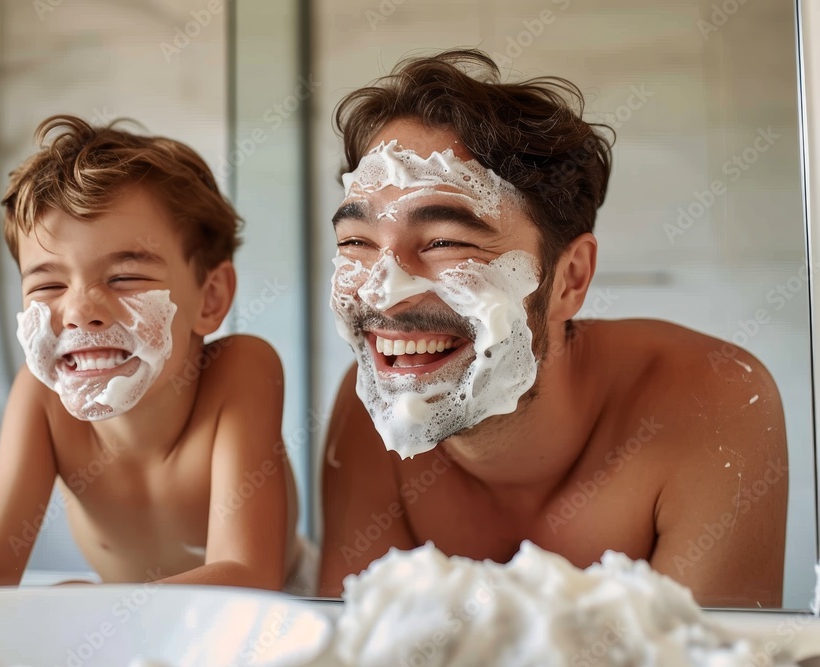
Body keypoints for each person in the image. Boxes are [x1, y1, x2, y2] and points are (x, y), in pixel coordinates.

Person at [318, 50, 788, 607]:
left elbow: (719, 651)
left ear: (570, 278)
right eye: (356, 243)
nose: (381, 290)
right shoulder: (371, 408)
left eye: (445, 242)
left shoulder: (716, 397)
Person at [0, 115, 312, 593]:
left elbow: (247, 577)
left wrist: (101, 608)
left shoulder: (240, 370)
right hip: (127, 626)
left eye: (125, 277)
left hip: (275, 612)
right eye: (47, 283)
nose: (81, 312)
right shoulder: (41, 397)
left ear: (209, 299)